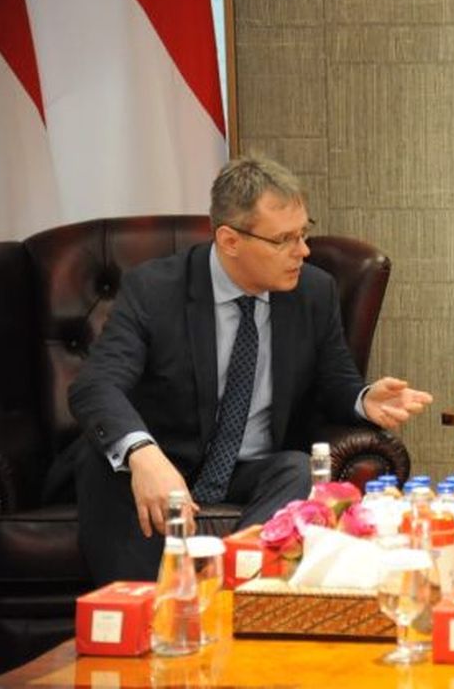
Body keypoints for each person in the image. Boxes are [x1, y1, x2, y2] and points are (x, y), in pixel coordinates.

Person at [68, 157, 433, 584]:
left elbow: (335, 381)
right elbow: (96, 383)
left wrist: (363, 399)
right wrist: (142, 453)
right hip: (163, 465)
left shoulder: (314, 292)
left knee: (298, 469)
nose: (303, 251)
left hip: (249, 469)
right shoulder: (155, 289)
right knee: (106, 460)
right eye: (283, 240)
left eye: (303, 233)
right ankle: (147, 608)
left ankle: (229, 586)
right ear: (229, 240)